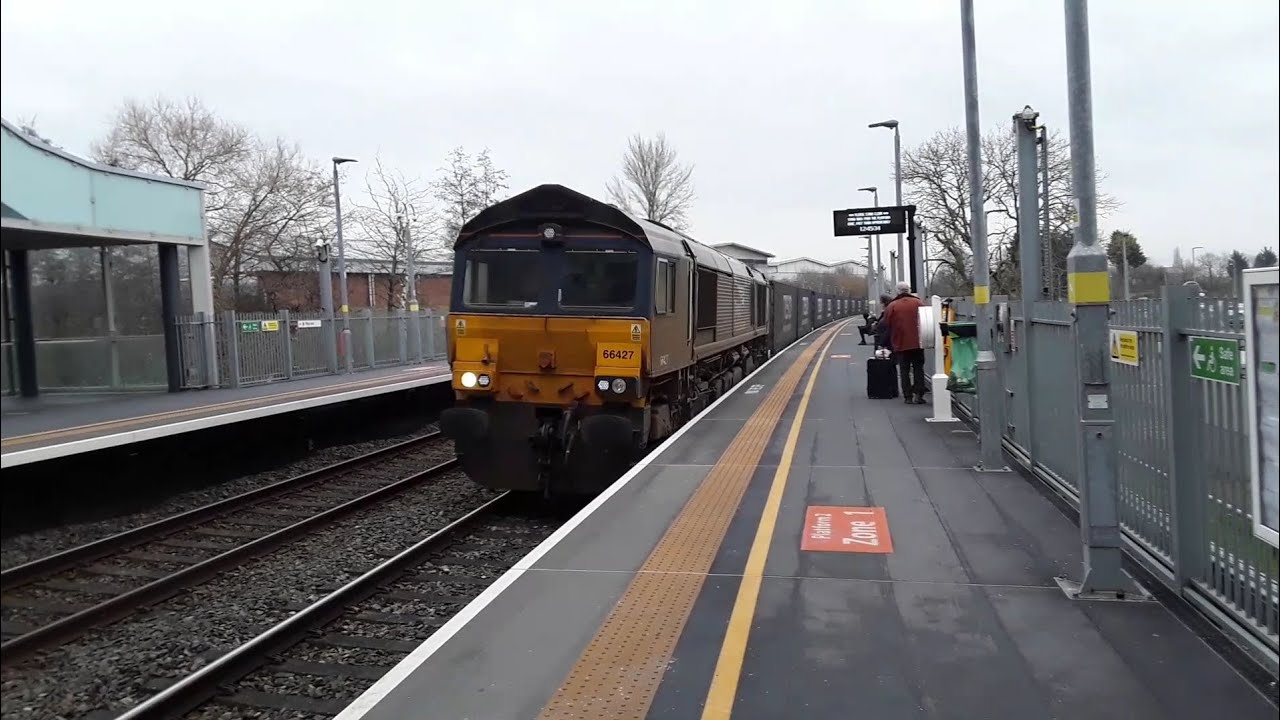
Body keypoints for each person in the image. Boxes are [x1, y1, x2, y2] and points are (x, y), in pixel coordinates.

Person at [880, 281, 926, 404]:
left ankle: (908, 396)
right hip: (918, 342)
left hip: (900, 342)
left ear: (898, 291)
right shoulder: (919, 303)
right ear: (909, 290)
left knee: (904, 370)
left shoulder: (892, 306)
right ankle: (919, 395)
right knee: (918, 368)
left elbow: (886, 323)